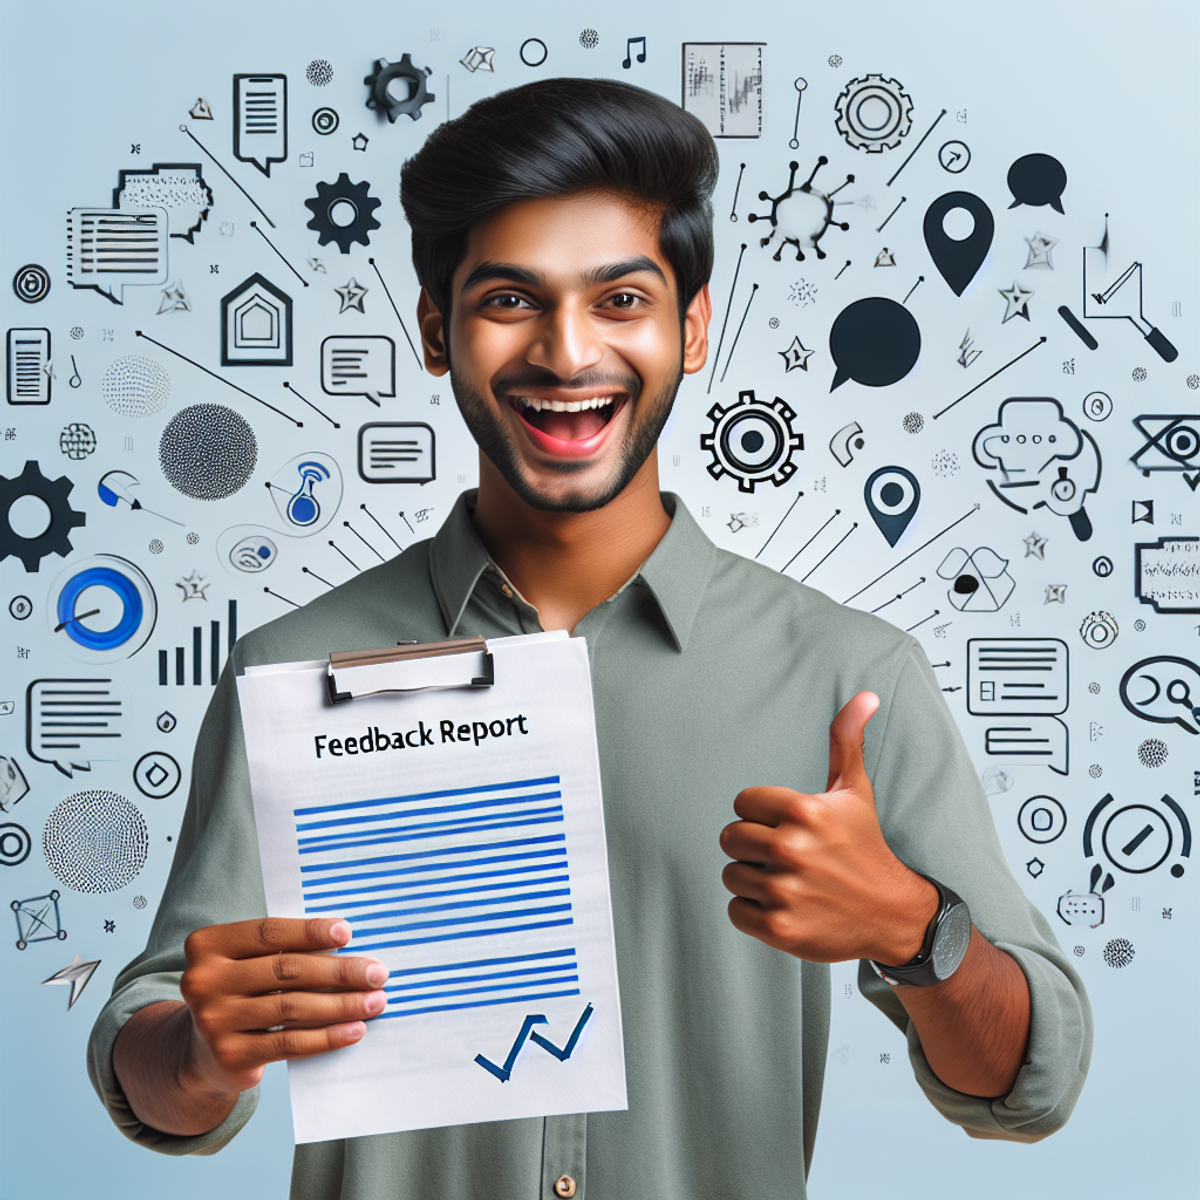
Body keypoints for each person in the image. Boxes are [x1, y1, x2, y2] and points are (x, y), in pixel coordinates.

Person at [89, 78, 1091, 1199]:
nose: (568, 358)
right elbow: (150, 1065)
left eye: (620, 299)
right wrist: (200, 1052)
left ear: (692, 328)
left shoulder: (850, 676)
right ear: (436, 329)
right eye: (511, 299)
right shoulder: (289, 669)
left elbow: (1028, 1083)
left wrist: (916, 928)